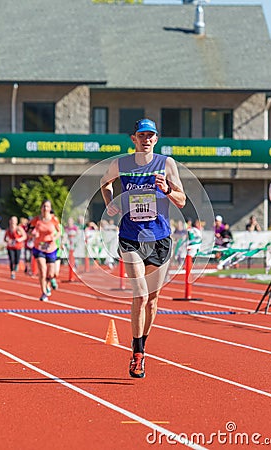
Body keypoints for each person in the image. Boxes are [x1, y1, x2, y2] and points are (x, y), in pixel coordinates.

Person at [100, 118, 186, 378]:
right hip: (130, 237)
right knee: (140, 294)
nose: (146, 139)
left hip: (159, 237)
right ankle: (137, 353)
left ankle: (143, 345)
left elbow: (181, 201)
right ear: (133, 138)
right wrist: (110, 202)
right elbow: (104, 182)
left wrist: (168, 189)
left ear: (156, 139)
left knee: (153, 299)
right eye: (142, 135)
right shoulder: (121, 163)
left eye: (151, 135)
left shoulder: (166, 164)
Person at [28, 200, 61, 301]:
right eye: (44, 206)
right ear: (41, 208)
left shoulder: (54, 219)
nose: (45, 209)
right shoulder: (36, 220)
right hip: (39, 248)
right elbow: (28, 231)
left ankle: (47, 284)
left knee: (51, 274)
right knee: (42, 270)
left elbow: (59, 232)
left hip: (51, 248)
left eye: (47, 207)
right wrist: (33, 234)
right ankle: (44, 293)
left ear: (50, 209)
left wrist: (54, 238)